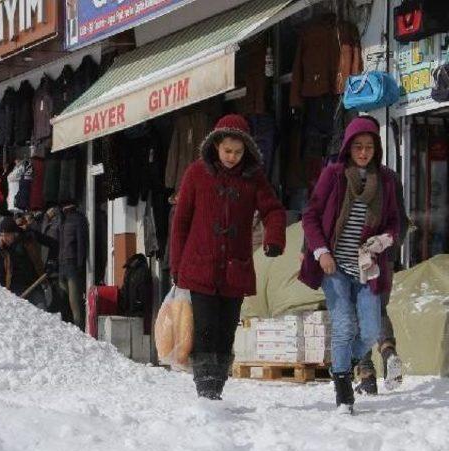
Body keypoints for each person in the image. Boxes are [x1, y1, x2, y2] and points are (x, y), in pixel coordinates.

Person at [170, 114, 286, 400]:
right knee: (206, 329)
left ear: (246, 149)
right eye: (227, 151)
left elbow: (274, 211)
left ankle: (216, 387)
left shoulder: (254, 177)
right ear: (216, 146)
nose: (232, 157)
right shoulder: (196, 173)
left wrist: (274, 238)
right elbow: (181, 220)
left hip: (236, 269)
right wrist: (176, 263)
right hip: (201, 268)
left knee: (225, 333)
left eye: (238, 151)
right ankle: (206, 389)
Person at [300, 117, 400, 413]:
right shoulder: (334, 175)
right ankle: (344, 391)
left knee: (369, 332)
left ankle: (342, 365)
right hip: (336, 268)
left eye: (369, 147)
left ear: (377, 149)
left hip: (368, 267)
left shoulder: (386, 180)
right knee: (344, 327)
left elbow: (394, 221)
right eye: (358, 146)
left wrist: (384, 240)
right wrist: (321, 252)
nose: (364, 152)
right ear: (348, 147)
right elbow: (310, 216)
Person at [353, 116, 408, 395]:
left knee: (356, 312)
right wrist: (390, 249)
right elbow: (401, 222)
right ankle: (388, 354)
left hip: (354, 255)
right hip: (383, 255)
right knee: (378, 309)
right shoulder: (392, 178)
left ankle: (366, 375)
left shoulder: (345, 176)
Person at [0, 216, 46, 308]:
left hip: (34, 284)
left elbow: (37, 259)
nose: (4, 238)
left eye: (6, 235)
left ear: (14, 233)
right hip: (16, 290)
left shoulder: (27, 239)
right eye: (2, 235)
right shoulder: (2, 249)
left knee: (43, 313)